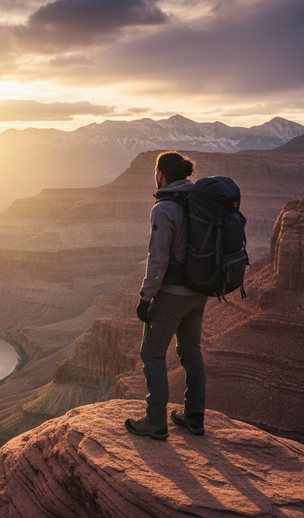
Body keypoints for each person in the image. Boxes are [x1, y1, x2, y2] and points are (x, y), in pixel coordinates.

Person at [125, 151, 209, 440]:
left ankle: (156, 421)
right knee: (192, 352)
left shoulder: (164, 208)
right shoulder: (198, 199)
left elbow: (158, 259)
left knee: (152, 353)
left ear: (161, 175)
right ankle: (195, 416)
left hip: (172, 294)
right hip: (199, 292)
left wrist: (145, 298)